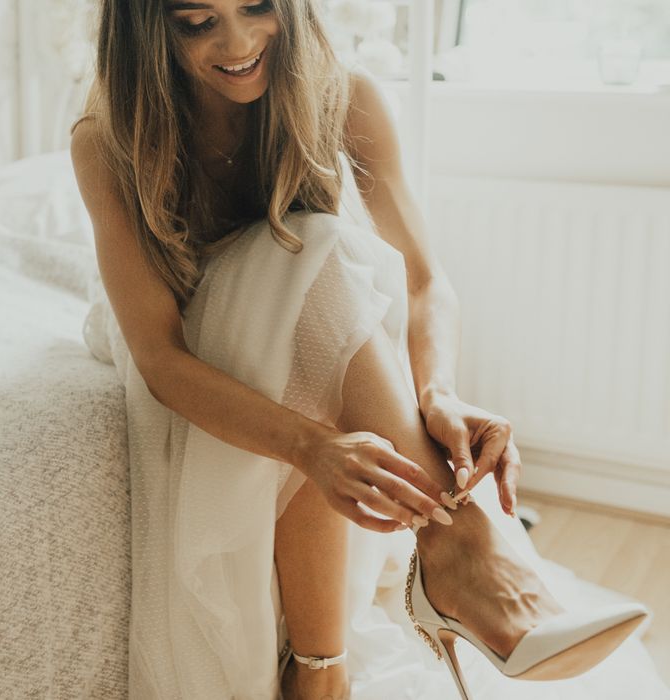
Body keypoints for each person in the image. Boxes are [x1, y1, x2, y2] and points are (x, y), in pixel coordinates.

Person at [69, 1, 658, 699]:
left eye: (258, 7)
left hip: (306, 329)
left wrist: (436, 391)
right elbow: (160, 357)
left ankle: (325, 670)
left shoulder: (345, 96)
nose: (238, 41)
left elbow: (424, 282)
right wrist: (312, 447)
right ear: (148, 29)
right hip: (189, 343)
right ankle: (464, 548)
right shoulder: (109, 137)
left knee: (328, 275)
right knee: (318, 257)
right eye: (198, 22)